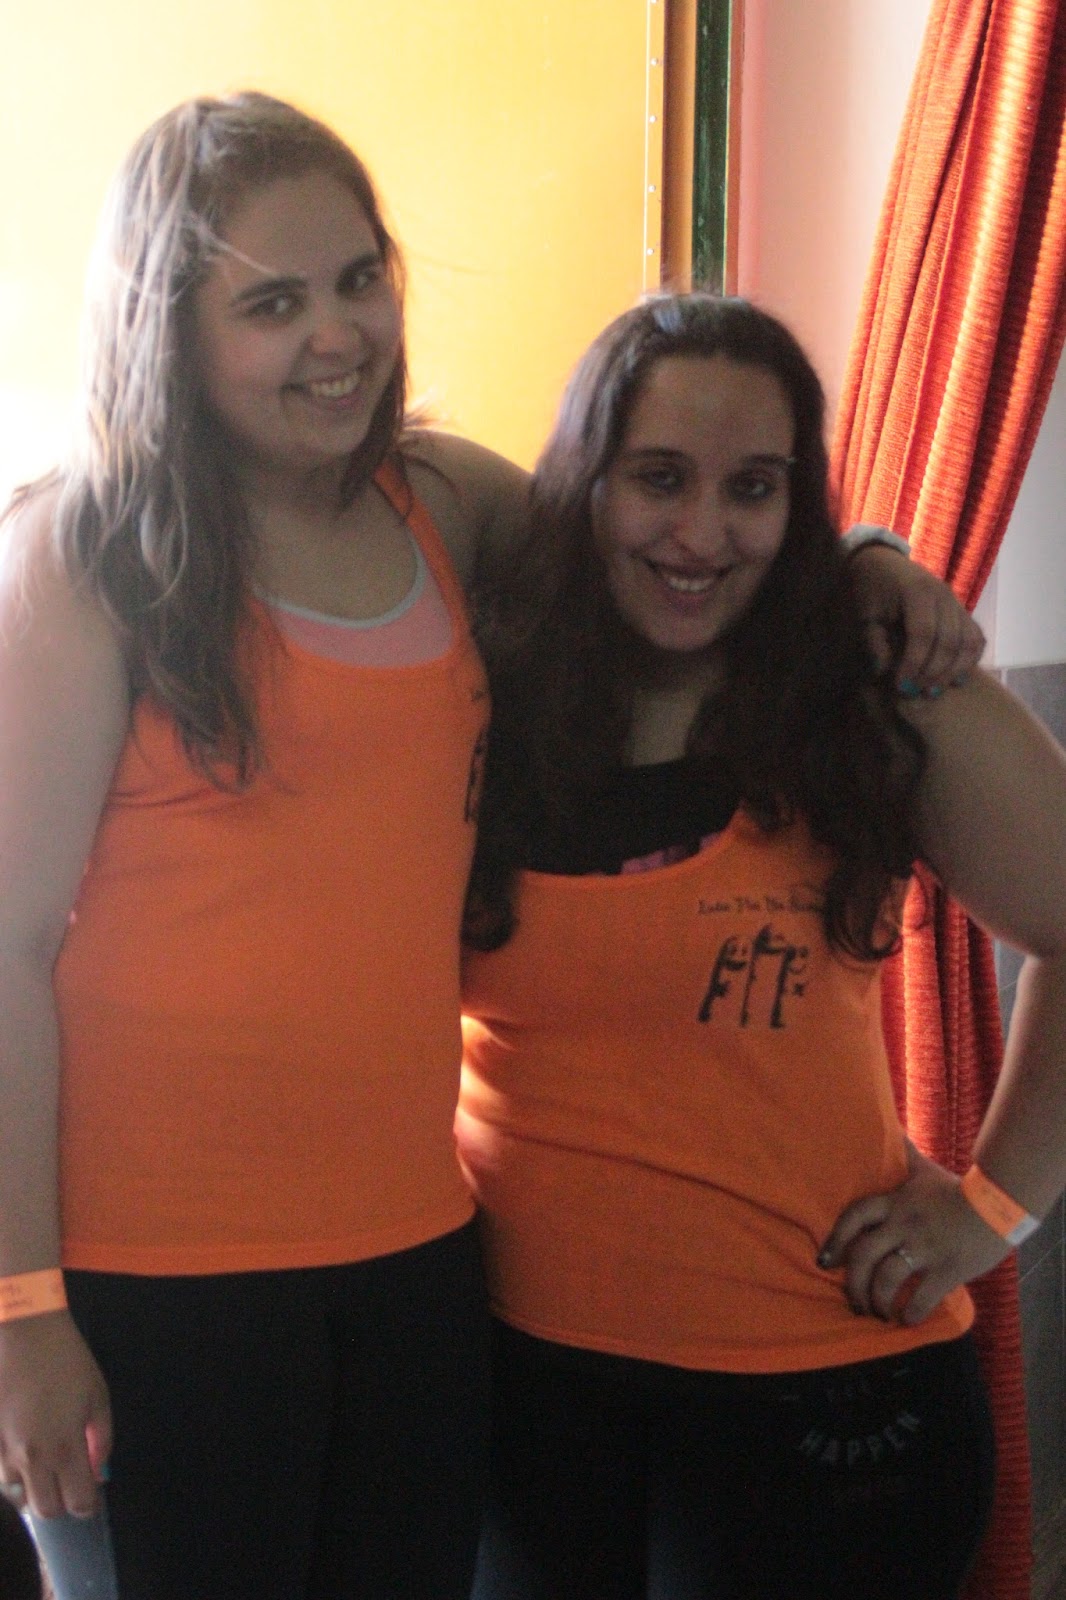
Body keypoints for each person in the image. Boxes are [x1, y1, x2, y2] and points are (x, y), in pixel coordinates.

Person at [0, 93, 980, 1599]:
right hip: (151, 1278)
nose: (337, 335)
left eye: (359, 279)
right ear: (167, 330)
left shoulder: (440, 500)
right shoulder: (86, 557)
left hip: (419, 1266)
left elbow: (667, 545)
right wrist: (19, 1308)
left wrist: (865, 554)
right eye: (272, 303)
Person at [457, 293, 1066, 1600]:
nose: (699, 534)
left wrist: (993, 1208)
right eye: (657, 478)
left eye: (752, 488)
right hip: (523, 1396)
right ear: (584, 481)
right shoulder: (489, 691)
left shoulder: (879, 689)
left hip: (817, 1403)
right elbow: (401, 471)